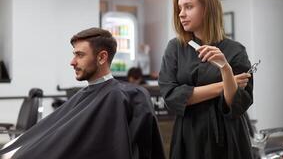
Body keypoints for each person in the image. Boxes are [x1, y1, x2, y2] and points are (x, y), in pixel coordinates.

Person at [0, 27, 165, 159]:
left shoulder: (125, 96)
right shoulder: (83, 95)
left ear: (101, 57)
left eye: (79, 55)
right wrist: (15, 148)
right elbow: (52, 133)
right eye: (74, 55)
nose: (72, 62)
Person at [158, 0, 253, 159]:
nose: (181, 14)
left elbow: (237, 105)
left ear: (207, 9)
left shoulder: (236, 51)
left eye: (188, 7)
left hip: (227, 136)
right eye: (179, 8)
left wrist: (225, 68)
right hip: (189, 134)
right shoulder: (175, 48)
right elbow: (171, 97)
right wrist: (225, 83)